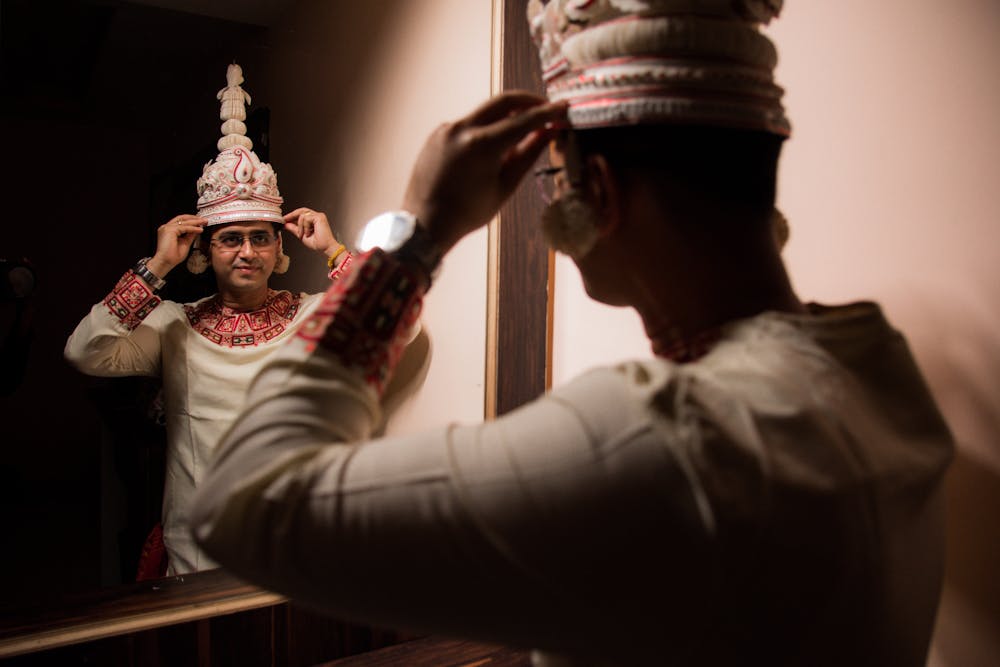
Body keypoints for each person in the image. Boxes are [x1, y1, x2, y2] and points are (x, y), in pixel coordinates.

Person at [191, 3, 954, 665]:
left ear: (604, 196)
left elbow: (241, 502)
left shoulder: (664, 441)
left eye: (554, 180)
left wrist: (415, 239)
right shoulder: (878, 363)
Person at [65, 64, 368, 576]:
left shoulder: (314, 315)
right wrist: (157, 266)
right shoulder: (171, 324)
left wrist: (336, 251)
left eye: (260, 237)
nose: (246, 252)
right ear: (205, 251)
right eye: (231, 238)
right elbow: (84, 352)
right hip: (198, 553)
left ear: (280, 247)